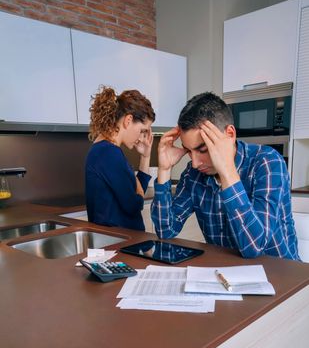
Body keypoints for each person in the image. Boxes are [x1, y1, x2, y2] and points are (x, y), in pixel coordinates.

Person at [151, 91, 300, 260]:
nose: (195, 163)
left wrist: (226, 170)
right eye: (188, 151)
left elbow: (254, 247)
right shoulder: (194, 174)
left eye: (203, 150)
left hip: (281, 274)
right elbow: (166, 230)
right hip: (225, 272)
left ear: (229, 135)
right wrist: (164, 170)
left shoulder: (267, 162)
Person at [85, 86, 155, 231]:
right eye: (142, 130)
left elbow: (133, 192)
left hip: (119, 242)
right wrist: (139, 195)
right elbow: (133, 205)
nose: (141, 137)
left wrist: (145, 156)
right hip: (119, 245)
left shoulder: (105, 150)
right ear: (128, 120)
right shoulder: (109, 153)